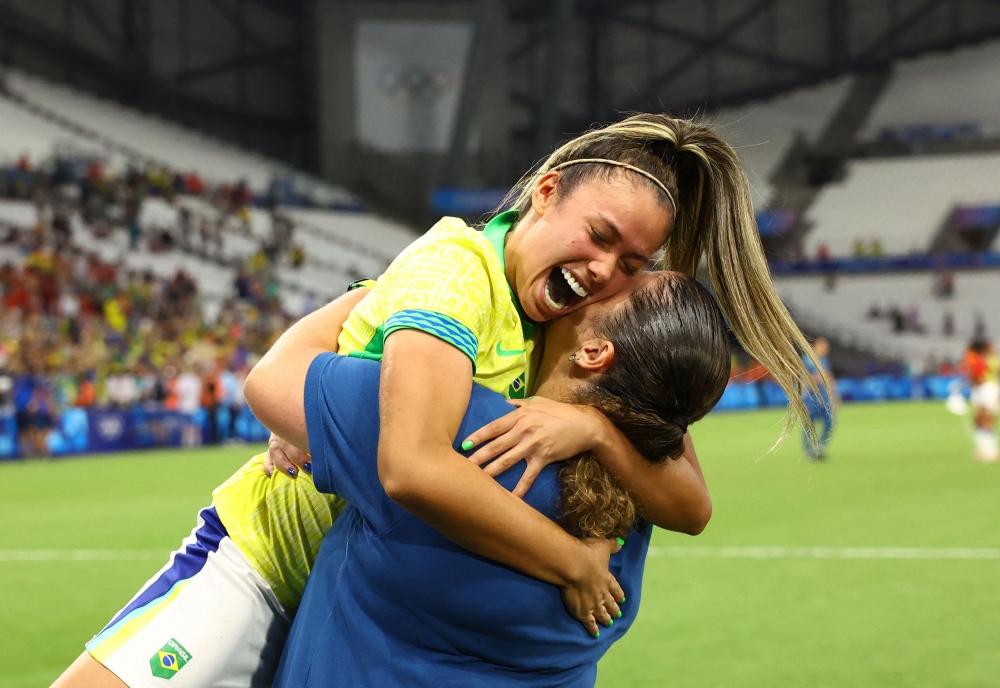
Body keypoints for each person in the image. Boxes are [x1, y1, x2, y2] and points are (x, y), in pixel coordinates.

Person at [53, 114, 823, 687]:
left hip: (342, 589)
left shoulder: (557, 324)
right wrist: (572, 562)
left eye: (630, 261)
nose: (603, 270)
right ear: (546, 191)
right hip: (263, 557)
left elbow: (692, 503)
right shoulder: (456, 275)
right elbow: (408, 463)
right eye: (597, 236)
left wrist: (592, 427)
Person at [268, 271, 729, 686]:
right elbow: (684, 475)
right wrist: (602, 431)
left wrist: (399, 285)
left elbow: (274, 379)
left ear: (594, 352)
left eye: (625, 279)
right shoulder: (636, 518)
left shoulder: (465, 432)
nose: (602, 273)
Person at [964, 338, 999, 462]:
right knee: (979, 419)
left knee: (986, 418)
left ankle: (991, 449)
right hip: (980, 389)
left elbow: (979, 377)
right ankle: (984, 447)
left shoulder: (990, 360)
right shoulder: (976, 359)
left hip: (987, 389)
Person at [802, 337, 836, 460]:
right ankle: (808, 450)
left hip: (824, 397)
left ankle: (820, 447)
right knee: (810, 424)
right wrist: (818, 378)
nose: (826, 349)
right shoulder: (807, 360)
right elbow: (804, 379)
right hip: (810, 397)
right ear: (815, 346)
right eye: (823, 346)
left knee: (830, 422)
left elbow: (829, 378)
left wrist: (835, 396)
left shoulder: (825, 361)